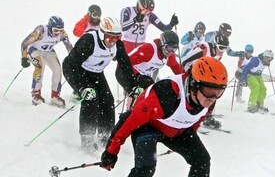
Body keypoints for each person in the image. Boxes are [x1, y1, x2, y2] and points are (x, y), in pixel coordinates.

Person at [100, 57, 228, 177]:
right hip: (147, 127)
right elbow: (127, 122)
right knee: (146, 166)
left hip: (176, 131)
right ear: (193, 83)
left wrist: (184, 143)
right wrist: (111, 152)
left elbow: (195, 120)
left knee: (201, 160)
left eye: (219, 92)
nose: (212, 98)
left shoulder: (208, 100)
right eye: (209, 91)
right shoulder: (164, 95)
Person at [62, 17, 137, 152]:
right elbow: (70, 65)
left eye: (117, 37)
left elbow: (126, 66)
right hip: (78, 71)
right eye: (110, 37)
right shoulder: (89, 41)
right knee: (91, 98)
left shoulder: (118, 45)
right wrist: (82, 88)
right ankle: (87, 138)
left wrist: (133, 86)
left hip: (96, 72)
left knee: (108, 101)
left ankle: (105, 135)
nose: (113, 41)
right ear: (102, 34)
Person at [117, 30, 183, 111]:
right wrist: (130, 84)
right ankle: (129, 113)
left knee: (153, 93)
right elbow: (125, 62)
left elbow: (176, 67)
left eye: (174, 49)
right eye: (168, 48)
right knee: (138, 93)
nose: (170, 52)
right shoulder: (149, 49)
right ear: (162, 44)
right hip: (124, 71)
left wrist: (185, 80)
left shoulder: (169, 55)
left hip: (142, 75)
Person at [20, 16, 74, 107]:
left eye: (60, 30)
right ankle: (36, 93)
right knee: (40, 65)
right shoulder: (40, 31)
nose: (58, 33)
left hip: (48, 51)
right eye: (55, 30)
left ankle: (55, 95)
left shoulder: (62, 34)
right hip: (34, 49)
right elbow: (25, 43)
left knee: (57, 69)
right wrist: (24, 58)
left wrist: (74, 60)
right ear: (50, 28)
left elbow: (69, 47)